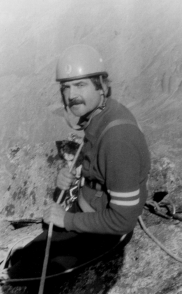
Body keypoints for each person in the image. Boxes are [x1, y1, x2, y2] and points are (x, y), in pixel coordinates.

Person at [8, 44, 150, 280]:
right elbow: (100, 163)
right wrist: (76, 174)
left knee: (21, 274)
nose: (71, 94)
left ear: (101, 86)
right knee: (21, 257)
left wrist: (67, 220)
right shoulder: (100, 115)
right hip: (86, 212)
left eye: (80, 84)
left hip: (103, 231)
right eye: (66, 87)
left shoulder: (119, 139)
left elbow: (122, 221)